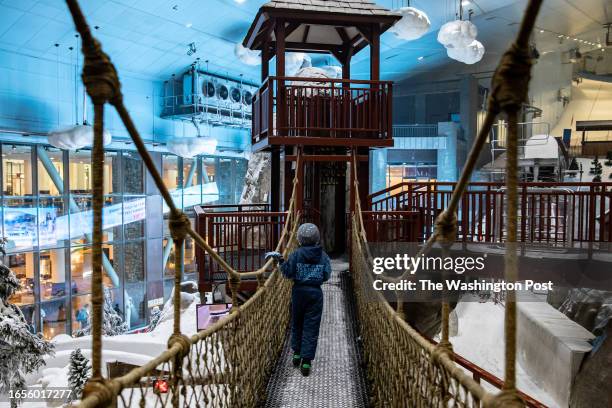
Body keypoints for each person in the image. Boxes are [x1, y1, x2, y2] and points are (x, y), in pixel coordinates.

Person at [265, 223, 331, 377]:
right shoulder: (323, 256)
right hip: (315, 294)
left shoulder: (296, 254)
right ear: (317, 238)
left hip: (298, 292)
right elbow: (327, 275)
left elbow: (287, 272)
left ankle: (296, 354)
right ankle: (306, 361)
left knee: (297, 323)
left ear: (299, 239)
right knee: (311, 326)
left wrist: (281, 260)